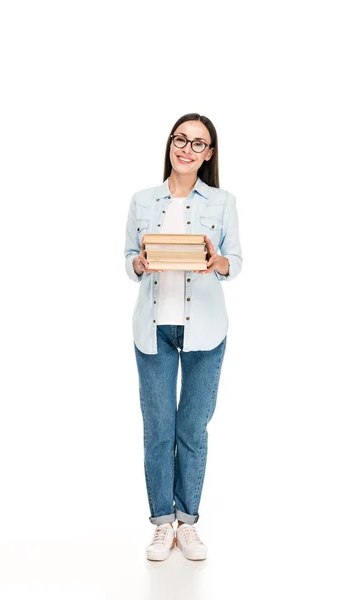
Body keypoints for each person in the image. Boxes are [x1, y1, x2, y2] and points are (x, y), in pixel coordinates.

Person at [124, 113, 243, 561]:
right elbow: (130, 255)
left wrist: (218, 263)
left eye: (198, 144)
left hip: (206, 330)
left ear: (208, 154)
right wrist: (138, 264)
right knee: (158, 429)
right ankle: (161, 524)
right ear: (170, 144)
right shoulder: (142, 200)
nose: (187, 149)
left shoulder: (223, 201)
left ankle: (188, 522)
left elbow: (236, 259)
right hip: (153, 329)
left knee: (192, 428)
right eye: (181, 139)